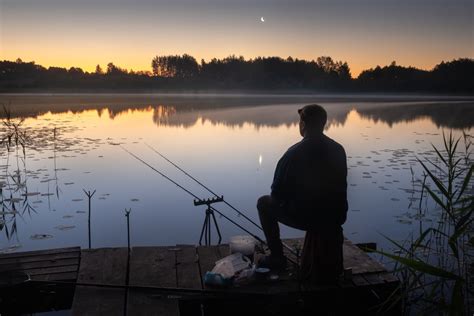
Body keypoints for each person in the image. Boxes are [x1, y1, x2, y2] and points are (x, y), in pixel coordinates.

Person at [256, 104, 348, 282]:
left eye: (300, 121)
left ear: (303, 124)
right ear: (323, 124)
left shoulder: (293, 153)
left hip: (310, 217)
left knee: (264, 203)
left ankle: (277, 257)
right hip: (335, 217)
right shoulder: (338, 149)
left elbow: (276, 196)